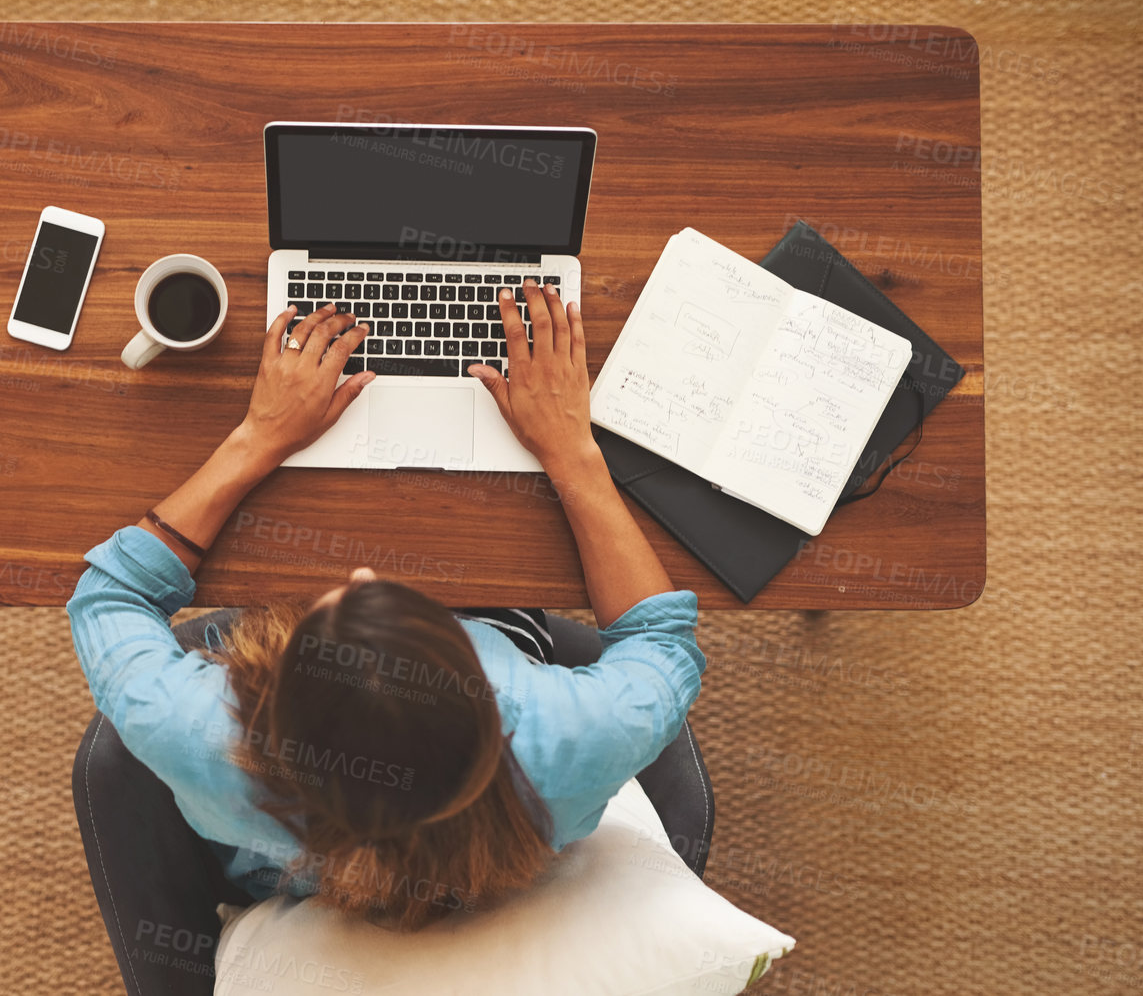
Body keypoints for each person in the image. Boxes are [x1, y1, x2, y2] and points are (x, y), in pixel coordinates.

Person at [68, 279, 705, 930]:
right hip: (491, 867)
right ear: (477, 684)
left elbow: (111, 592)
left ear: (270, 697)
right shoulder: (578, 732)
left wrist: (258, 437)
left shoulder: (195, 728)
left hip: (280, 874)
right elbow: (660, 641)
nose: (366, 571)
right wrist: (571, 449)